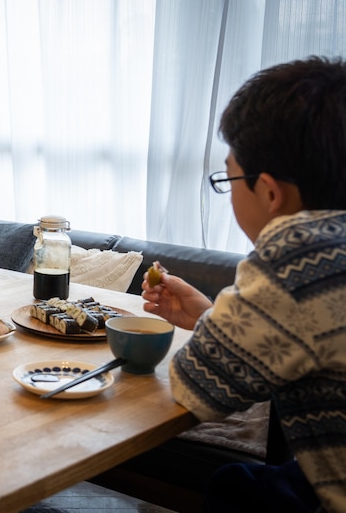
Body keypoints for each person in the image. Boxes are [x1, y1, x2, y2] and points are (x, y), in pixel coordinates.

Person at [141, 57, 346, 512]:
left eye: (228, 178)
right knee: (240, 485)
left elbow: (197, 387)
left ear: (271, 192)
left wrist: (214, 327)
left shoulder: (298, 255)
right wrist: (209, 317)